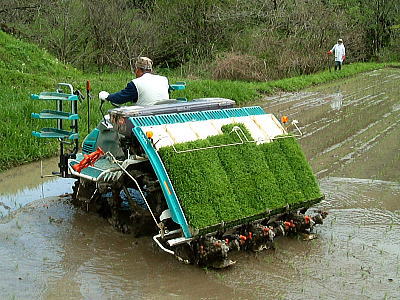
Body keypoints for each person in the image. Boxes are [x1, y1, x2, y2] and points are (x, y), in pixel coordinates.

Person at [99, 57, 169, 105]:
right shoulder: (164, 80)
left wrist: (107, 96)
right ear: (150, 70)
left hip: (144, 119)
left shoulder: (136, 83)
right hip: (165, 117)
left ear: (138, 70)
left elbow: (120, 98)